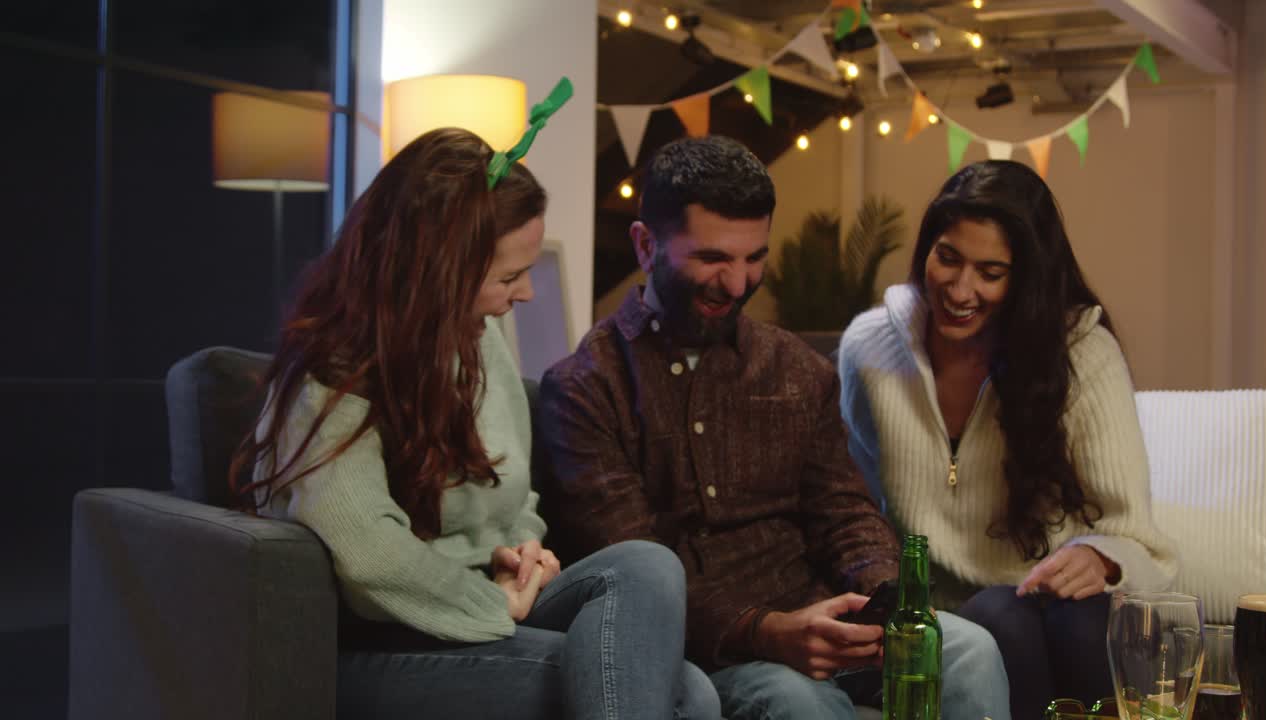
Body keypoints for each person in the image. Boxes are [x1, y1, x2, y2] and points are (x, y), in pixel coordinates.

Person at [228, 118, 720, 719]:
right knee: (685, 695)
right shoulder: (330, 371)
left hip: (490, 596)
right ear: (437, 270)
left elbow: (514, 496)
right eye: (509, 276)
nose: (526, 295)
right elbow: (366, 556)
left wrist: (526, 552)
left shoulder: (478, 340)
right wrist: (493, 606)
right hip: (387, 634)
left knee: (647, 565)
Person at [537, 135, 1010, 720]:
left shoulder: (796, 368)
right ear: (644, 245)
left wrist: (884, 600)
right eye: (711, 259)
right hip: (713, 651)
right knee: (797, 704)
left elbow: (844, 511)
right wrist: (764, 631)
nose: (737, 285)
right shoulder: (585, 389)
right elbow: (635, 574)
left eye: (754, 258)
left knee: (970, 652)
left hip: (824, 615)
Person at [837, 160, 1178, 718]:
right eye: (947, 257)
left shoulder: (1082, 356)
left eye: (990, 272)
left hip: (1053, 606)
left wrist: (1102, 557)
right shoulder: (868, 350)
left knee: (1047, 615)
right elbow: (850, 511)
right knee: (997, 621)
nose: (960, 288)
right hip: (931, 615)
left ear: (1026, 279)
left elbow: (1133, 533)